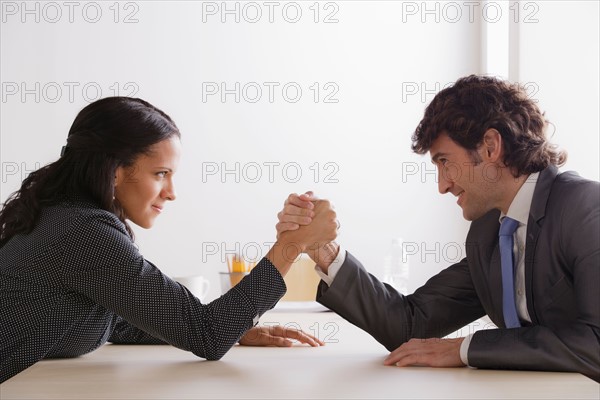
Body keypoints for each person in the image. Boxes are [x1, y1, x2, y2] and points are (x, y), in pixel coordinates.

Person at [277, 75, 600, 382]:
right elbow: (410, 324)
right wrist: (322, 249)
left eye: (444, 161)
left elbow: (595, 343)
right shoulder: (490, 235)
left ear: (490, 146)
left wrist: (465, 349)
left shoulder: (585, 209)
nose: (442, 186)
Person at [0, 97, 338, 383]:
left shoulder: (61, 215)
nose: (172, 193)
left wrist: (237, 327)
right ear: (115, 170)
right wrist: (290, 246)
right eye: (161, 173)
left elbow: (119, 319)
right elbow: (208, 335)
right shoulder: (85, 233)